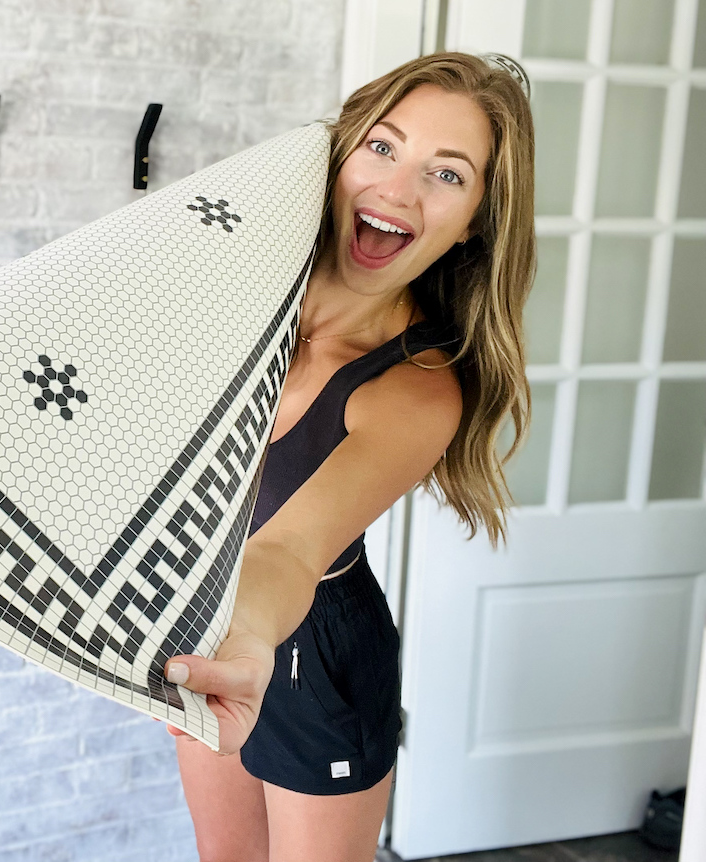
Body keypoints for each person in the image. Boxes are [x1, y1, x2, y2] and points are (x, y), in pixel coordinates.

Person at [163, 52, 536, 862]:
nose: (399, 190)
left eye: (447, 173)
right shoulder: (239, 294)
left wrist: (252, 636)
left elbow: (292, 544)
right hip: (202, 618)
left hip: (314, 653)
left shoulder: (419, 386)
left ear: (475, 218)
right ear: (339, 156)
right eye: (383, 148)